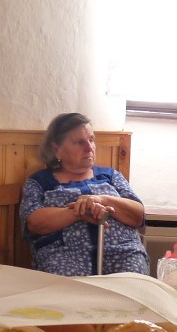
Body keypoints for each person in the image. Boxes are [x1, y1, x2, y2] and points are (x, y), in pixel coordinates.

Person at [20, 112, 150, 276]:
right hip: (64, 255)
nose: (89, 148)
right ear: (56, 149)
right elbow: (33, 223)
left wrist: (101, 199)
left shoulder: (111, 176)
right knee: (69, 289)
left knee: (133, 285)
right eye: (79, 142)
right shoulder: (40, 182)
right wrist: (79, 212)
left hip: (123, 251)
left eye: (91, 140)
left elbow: (138, 216)